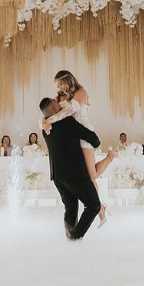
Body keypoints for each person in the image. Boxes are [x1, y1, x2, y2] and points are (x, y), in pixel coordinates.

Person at [41, 70, 117, 227]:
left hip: (84, 134)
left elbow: (69, 111)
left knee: (92, 175)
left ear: (68, 80)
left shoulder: (81, 92)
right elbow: (47, 112)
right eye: (56, 85)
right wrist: (43, 122)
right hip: (72, 138)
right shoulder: (58, 99)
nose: (59, 87)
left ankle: (111, 156)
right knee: (86, 178)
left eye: (60, 83)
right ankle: (99, 207)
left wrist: (49, 120)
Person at [40, 97, 102, 240]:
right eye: (56, 102)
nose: (59, 102)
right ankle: (75, 236)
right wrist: (96, 142)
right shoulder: (65, 122)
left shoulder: (45, 129)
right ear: (55, 109)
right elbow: (86, 133)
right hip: (74, 173)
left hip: (57, 176)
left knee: (71, 208)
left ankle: (69, 238)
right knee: (93, 205)